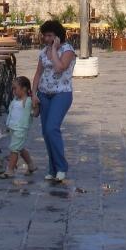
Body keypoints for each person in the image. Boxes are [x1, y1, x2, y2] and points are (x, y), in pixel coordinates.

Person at [32, 20, 76, 183]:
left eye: (50, 35)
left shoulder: (67, 50)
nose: (47, 38)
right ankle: (53, 168)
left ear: (57, 36)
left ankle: (62, 167)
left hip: (61, 94)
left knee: (52, 128)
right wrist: (33, 93)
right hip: (44, 94)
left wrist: (55, 49)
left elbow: (60, 67)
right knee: (46, 133)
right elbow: (38, 73)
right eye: (45, 35)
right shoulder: (43, 52)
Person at [0, 76, 37, 178]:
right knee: (20, 148)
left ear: (24, 89)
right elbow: (12, 114)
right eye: (13, 88)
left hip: (21, 129)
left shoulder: (28, 102)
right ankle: (31, 165)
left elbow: (35, 114)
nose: (13, 91)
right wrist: (8, 126)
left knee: (14, 149)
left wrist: (36, 105)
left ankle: (9, 170)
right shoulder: (15, 100)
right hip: (13, 128)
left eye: (15, 88)